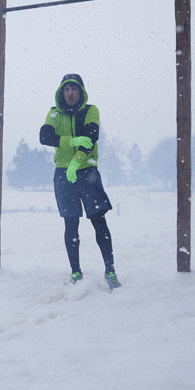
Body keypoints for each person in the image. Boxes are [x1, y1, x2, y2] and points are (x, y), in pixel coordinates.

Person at [39, 73, 121, 288]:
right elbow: (44, 136)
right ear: (61, 92)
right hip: (63, 175)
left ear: (81, 91)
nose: (70, 93)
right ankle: (75, 272)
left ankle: (110, 271)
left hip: (87, 173)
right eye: (66, 89)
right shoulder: (54, 113)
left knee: (99, 221)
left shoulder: (90, 111)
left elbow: (91, 136)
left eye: (74, 89)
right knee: (71, 224)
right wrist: (70, 141)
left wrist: (76, 161)